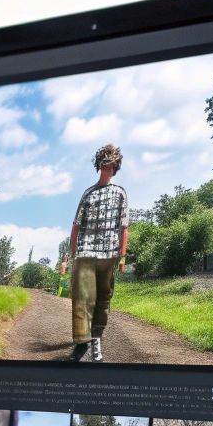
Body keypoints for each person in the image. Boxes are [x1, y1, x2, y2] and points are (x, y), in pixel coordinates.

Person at [59, 144, 129, 362]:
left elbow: (124, 226)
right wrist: (71, 256)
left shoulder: (120, 193)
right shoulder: (88, 193)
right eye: (105, 164)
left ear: (116, 167)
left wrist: (122, 255)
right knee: (82, 298)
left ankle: (96, 340)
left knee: (103, 299)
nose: (108, 168)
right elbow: (76, 225)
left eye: (112, 165)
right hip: (85, 252)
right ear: (99, 165)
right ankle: (81, 344)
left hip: (109, 254)